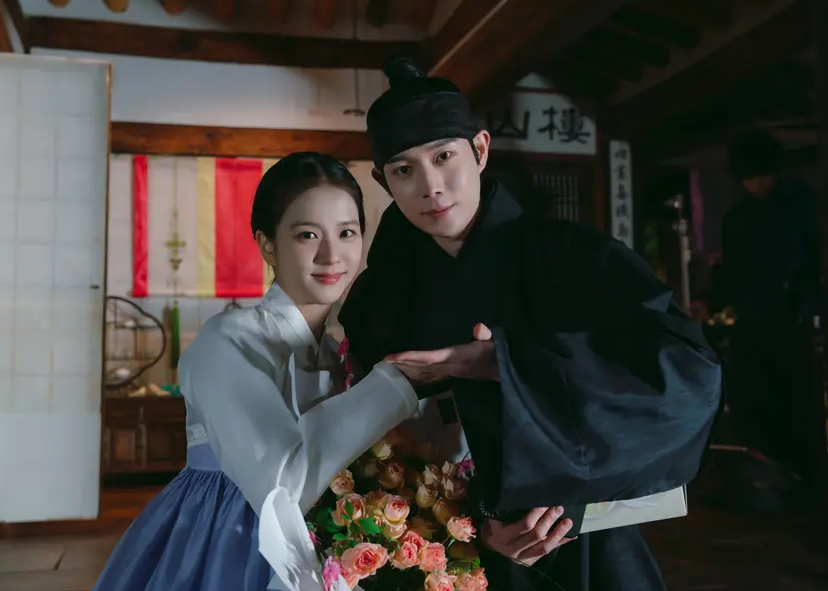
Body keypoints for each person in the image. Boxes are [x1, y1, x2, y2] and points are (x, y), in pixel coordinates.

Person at [337, 58, 724, 591]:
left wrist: (507, 365)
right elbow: (375, 443)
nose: (430, 186)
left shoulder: (578, 258)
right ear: (384, 181)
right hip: (442, 550)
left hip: (583, 536)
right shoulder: (380, 296)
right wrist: (467, 520)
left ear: (480, 149)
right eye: (404, 170)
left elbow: (688, 378)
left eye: (444, 156)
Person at [93, 152, 428, 591]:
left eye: (347, 232)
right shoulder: (227, 340)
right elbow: (280, 486)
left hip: (328, 535)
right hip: (227, 534)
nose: (331, 255)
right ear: (268, 244)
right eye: (307, 235)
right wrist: (398, 383)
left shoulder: (340, 352)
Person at [721, 130, 821, 506]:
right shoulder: (740, 216)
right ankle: (763, 480)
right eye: (748, 179)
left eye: (761, 177)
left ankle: (806, 482)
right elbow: (731, 270)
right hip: (753, 320)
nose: (755, 185)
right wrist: (712, 299)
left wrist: (806, 306)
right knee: (753, 399)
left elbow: (814, 263)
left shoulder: (803, 206)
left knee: (797, 401)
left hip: (794, 319)